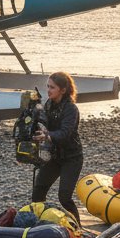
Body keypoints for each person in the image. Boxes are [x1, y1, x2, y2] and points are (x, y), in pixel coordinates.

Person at [33, 71, 83, 225]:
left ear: (63, 90)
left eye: (52, 87)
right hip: (54, 157)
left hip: (72, 158)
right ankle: (40, 224)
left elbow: (65, 133)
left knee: (64, 197)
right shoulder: (48, 104)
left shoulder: (71, 109)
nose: (48, 90)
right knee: (38, 190)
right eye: (47, 86)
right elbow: (42, 123)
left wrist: (47, 135)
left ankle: (78, 226)